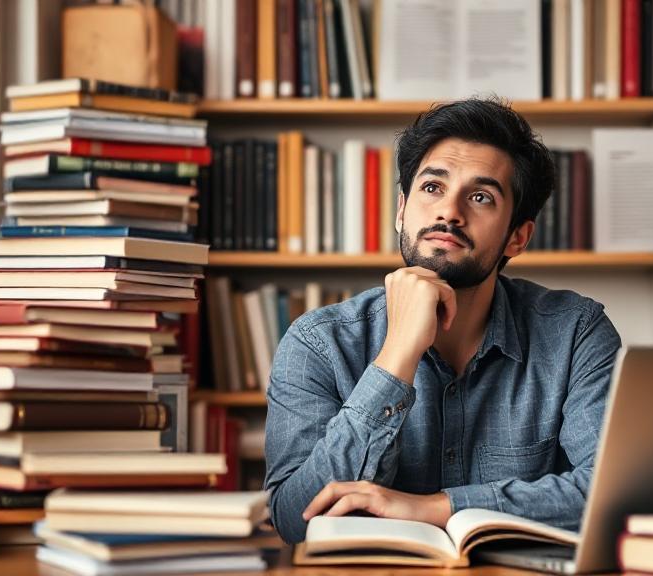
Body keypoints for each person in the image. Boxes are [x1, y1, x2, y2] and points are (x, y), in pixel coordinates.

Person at [264, 98, 621, 544]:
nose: (449, 212)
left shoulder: (575, 333)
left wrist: (437, 508)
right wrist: (397, 356)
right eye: (432, 188)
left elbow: (611, 493)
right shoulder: (318, 342)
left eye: (480, 197)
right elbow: (295, 519)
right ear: (401, 210)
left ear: (518, 236)